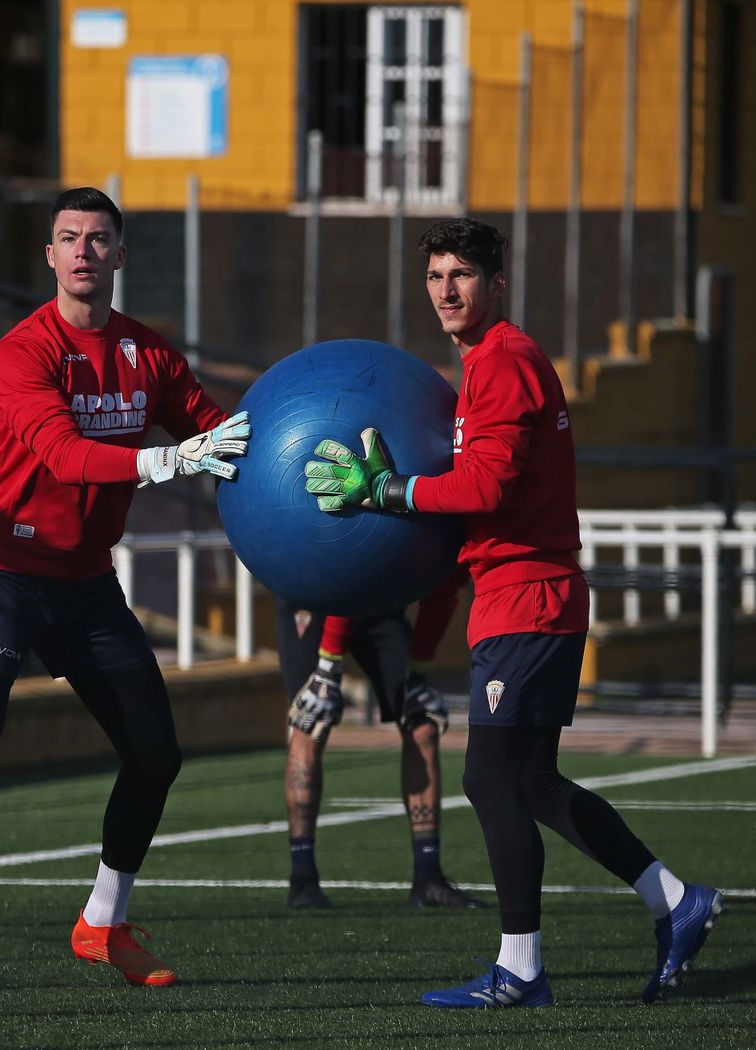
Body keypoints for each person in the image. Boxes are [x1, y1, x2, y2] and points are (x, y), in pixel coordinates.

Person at [0, 187, 251, 997]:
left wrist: (304, 460)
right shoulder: (21, 353)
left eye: (98, 238)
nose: (84, 251)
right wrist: (164, 461)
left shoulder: (149, 354)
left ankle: (103, 923)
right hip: (4, 577)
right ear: (50, 256)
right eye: (69, 238)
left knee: (156, 754)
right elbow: (65, 456)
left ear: (120, 255)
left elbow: (219, 433)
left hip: (87, 585)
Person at [303, 217, 722, 1008]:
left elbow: (487, 487)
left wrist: (387, 491)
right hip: (522, 595)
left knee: (490, 779)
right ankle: (675, 900)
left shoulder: (502, 360)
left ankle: (521, 969)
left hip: (527, 597)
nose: (446, 291)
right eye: (435, 277)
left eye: (461, 275)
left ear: (497, 284)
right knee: (530, 782)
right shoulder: (490, 362)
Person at [277, 570, 485, 911]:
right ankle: (303, 878)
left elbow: (443, 592)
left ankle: (428, 876)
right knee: (310, 718)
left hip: (379, 597)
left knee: (422, 720)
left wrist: (418, 673)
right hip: (317, 584)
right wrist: (327, 667)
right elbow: (346, 565)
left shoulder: (450, 545)